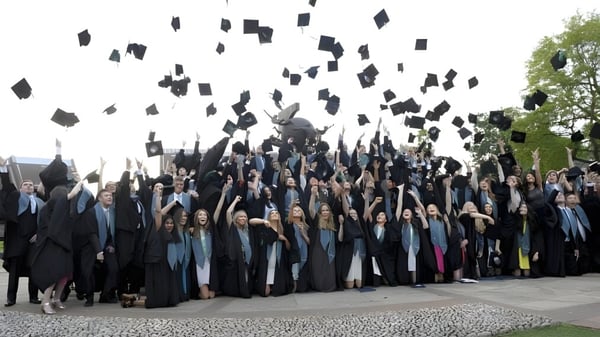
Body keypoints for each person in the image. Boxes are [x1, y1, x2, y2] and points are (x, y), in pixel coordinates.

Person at [30, 140, 78, 314]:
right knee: (55, 272)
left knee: (65, 274)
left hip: (63, 239)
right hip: (53, 240)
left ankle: (56, 298)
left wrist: (59, 152)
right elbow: (59, 212)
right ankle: (45, 302)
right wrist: (58, 152)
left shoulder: (61, 188)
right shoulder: (58, 192)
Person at [0, 157, 42, 306]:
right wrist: (4, 169)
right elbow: (7, 186)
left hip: (33, 241)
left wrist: (39, 234)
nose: (29, 186)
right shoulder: (16, 197)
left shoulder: (39, 202)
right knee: (14, 271)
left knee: (33, 269)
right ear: (20, 188)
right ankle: (11, 298)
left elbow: (44, 221)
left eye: (31, 185)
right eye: (26, 184)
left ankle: (33, 297)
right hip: (17, 240)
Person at [143, 184, 180, 309]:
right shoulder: (159, 228)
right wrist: (158, 196)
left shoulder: (171, 233)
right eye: (167, 223)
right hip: (157, 261)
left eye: (171, 223)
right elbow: (159, 212)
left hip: (166, 263)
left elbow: (162, 213)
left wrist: (172, 204)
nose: (169, 225)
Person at [249, 210, 294, 296]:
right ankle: (266, 283)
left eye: (276, 213)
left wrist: (285, 239)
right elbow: (251, 221)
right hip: (266, 256)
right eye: (272, 213)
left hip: (278, 257)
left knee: (278, 290)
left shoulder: (282, 229)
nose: (274, 214)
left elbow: (288, 248)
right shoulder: (265, 227)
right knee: (265, 293)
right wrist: (263, 221)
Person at [221, 195, 256, 298]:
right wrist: (235, 200)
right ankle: (243, 292)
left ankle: (246, 290)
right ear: (236, 218)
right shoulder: (233, 228)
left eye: (244, 217)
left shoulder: (248, 230)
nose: (243, 218)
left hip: (247, 257)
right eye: (240, 216)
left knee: (246, 275)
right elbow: (228, 212)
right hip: (237, 258)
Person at [287, 203, 310, 292]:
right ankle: (294, 286)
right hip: (294, 250)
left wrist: (302, 232)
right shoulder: (289, 225)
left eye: (298, 210)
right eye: (294, 211)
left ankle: (302, 285)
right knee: (294, 268)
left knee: (302, 266)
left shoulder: (306, 226)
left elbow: (309, 241)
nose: (296, 212)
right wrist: (292, 206)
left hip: (304, 250)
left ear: (302, 213)